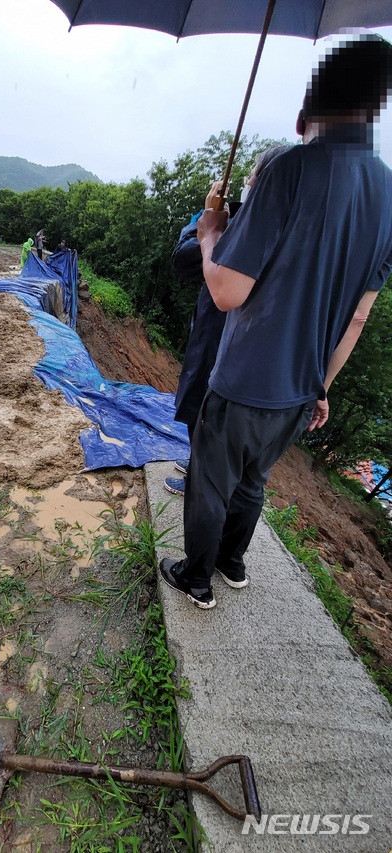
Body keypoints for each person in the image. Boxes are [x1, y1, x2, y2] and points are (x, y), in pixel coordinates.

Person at [160, 33, 392, 610]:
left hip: (246, 375)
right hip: (302, 387)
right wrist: (323, 386)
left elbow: (227, 291)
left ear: (306, 110)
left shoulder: (290, 169)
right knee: (254, 480)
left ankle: (197, 575)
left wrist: (212, 229)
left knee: (210, 482)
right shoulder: (388, 193)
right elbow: (360, 315)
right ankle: (234, 563)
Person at [165, 145, 291, 496]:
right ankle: (201, 470)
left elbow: (184, 261)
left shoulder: (241, 225)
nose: (247, 182)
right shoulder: (295, 226)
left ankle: (198, 481)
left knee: (201, 404)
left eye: (252, 176)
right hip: (261, 349)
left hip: (220, 332)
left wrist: (206, 217)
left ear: (261, 183)